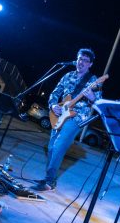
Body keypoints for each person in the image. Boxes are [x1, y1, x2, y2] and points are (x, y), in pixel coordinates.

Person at [31, 48, 101, 192]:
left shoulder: (94, 81)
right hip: (60, 115)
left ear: (90, 64)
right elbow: (55, 93)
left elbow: (99, 103)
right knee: (51, 147)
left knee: (58, 146)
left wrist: (92, 98)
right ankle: (49, 178)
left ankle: (49, 182)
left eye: (85, 61)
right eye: (80, 59)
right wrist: (53, 105)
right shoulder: (68, 75)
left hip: (77, 118)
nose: (81, 62)